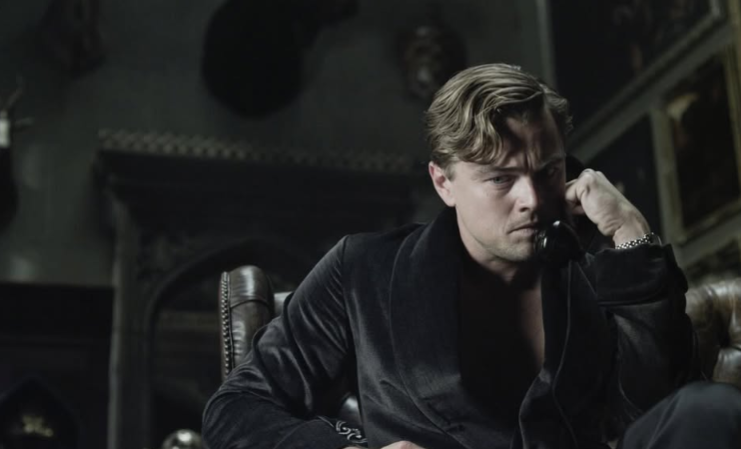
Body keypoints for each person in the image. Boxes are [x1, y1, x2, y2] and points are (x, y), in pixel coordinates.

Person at [202, 63, 741, 449]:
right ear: (444, 183)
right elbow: (236, 409)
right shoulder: (363, 272)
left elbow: (658, 407)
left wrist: (632, 236)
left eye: (548, 171)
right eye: (500, 179)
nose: (533, 199)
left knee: (710, 407)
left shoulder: (597, 263)